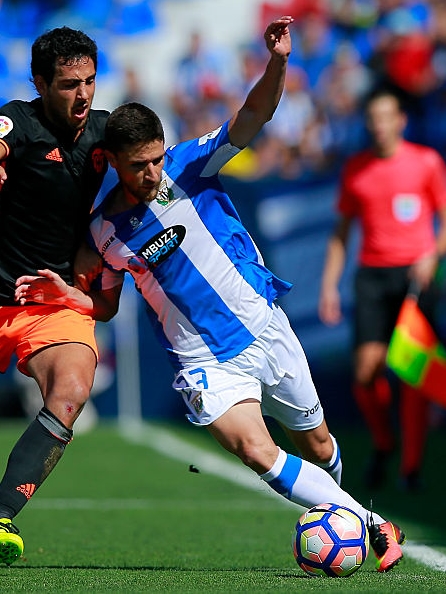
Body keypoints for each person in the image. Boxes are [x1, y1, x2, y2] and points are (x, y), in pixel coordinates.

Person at [15, 17, 405, 573]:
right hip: (203, 360)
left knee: (319, 445)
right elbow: (105, 306)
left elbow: (254, 115)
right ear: (114, 165)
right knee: (256, 450)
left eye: (157, 159)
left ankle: (344, 518)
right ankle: (372, 524)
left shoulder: (191, 165)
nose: (153, 173)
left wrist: (277, 62)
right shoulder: (103, 234)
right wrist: (67, 294)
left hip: (263, 325)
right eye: (138, 166)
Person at [0, 26, 109, 565]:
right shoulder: (17, 121)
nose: (82, 94)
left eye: (89, 81)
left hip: (49, 301)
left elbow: (155, 171)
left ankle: (1, 515)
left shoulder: (107, 133)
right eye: (68, 84)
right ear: (40, 84)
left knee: (71, 390)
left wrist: (98, 242)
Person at [318, 86, 446, 491]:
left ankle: (411, 468)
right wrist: (329, 286)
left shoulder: (426, 162)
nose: (379, 125)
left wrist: (432, 255)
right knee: (366, 371)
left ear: (400, 121)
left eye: (386, 117)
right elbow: (340, 234)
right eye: (373, 118)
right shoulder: (356, 169)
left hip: (415, 277)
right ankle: (384, 441)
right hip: (372, 275)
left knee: (411, 373)